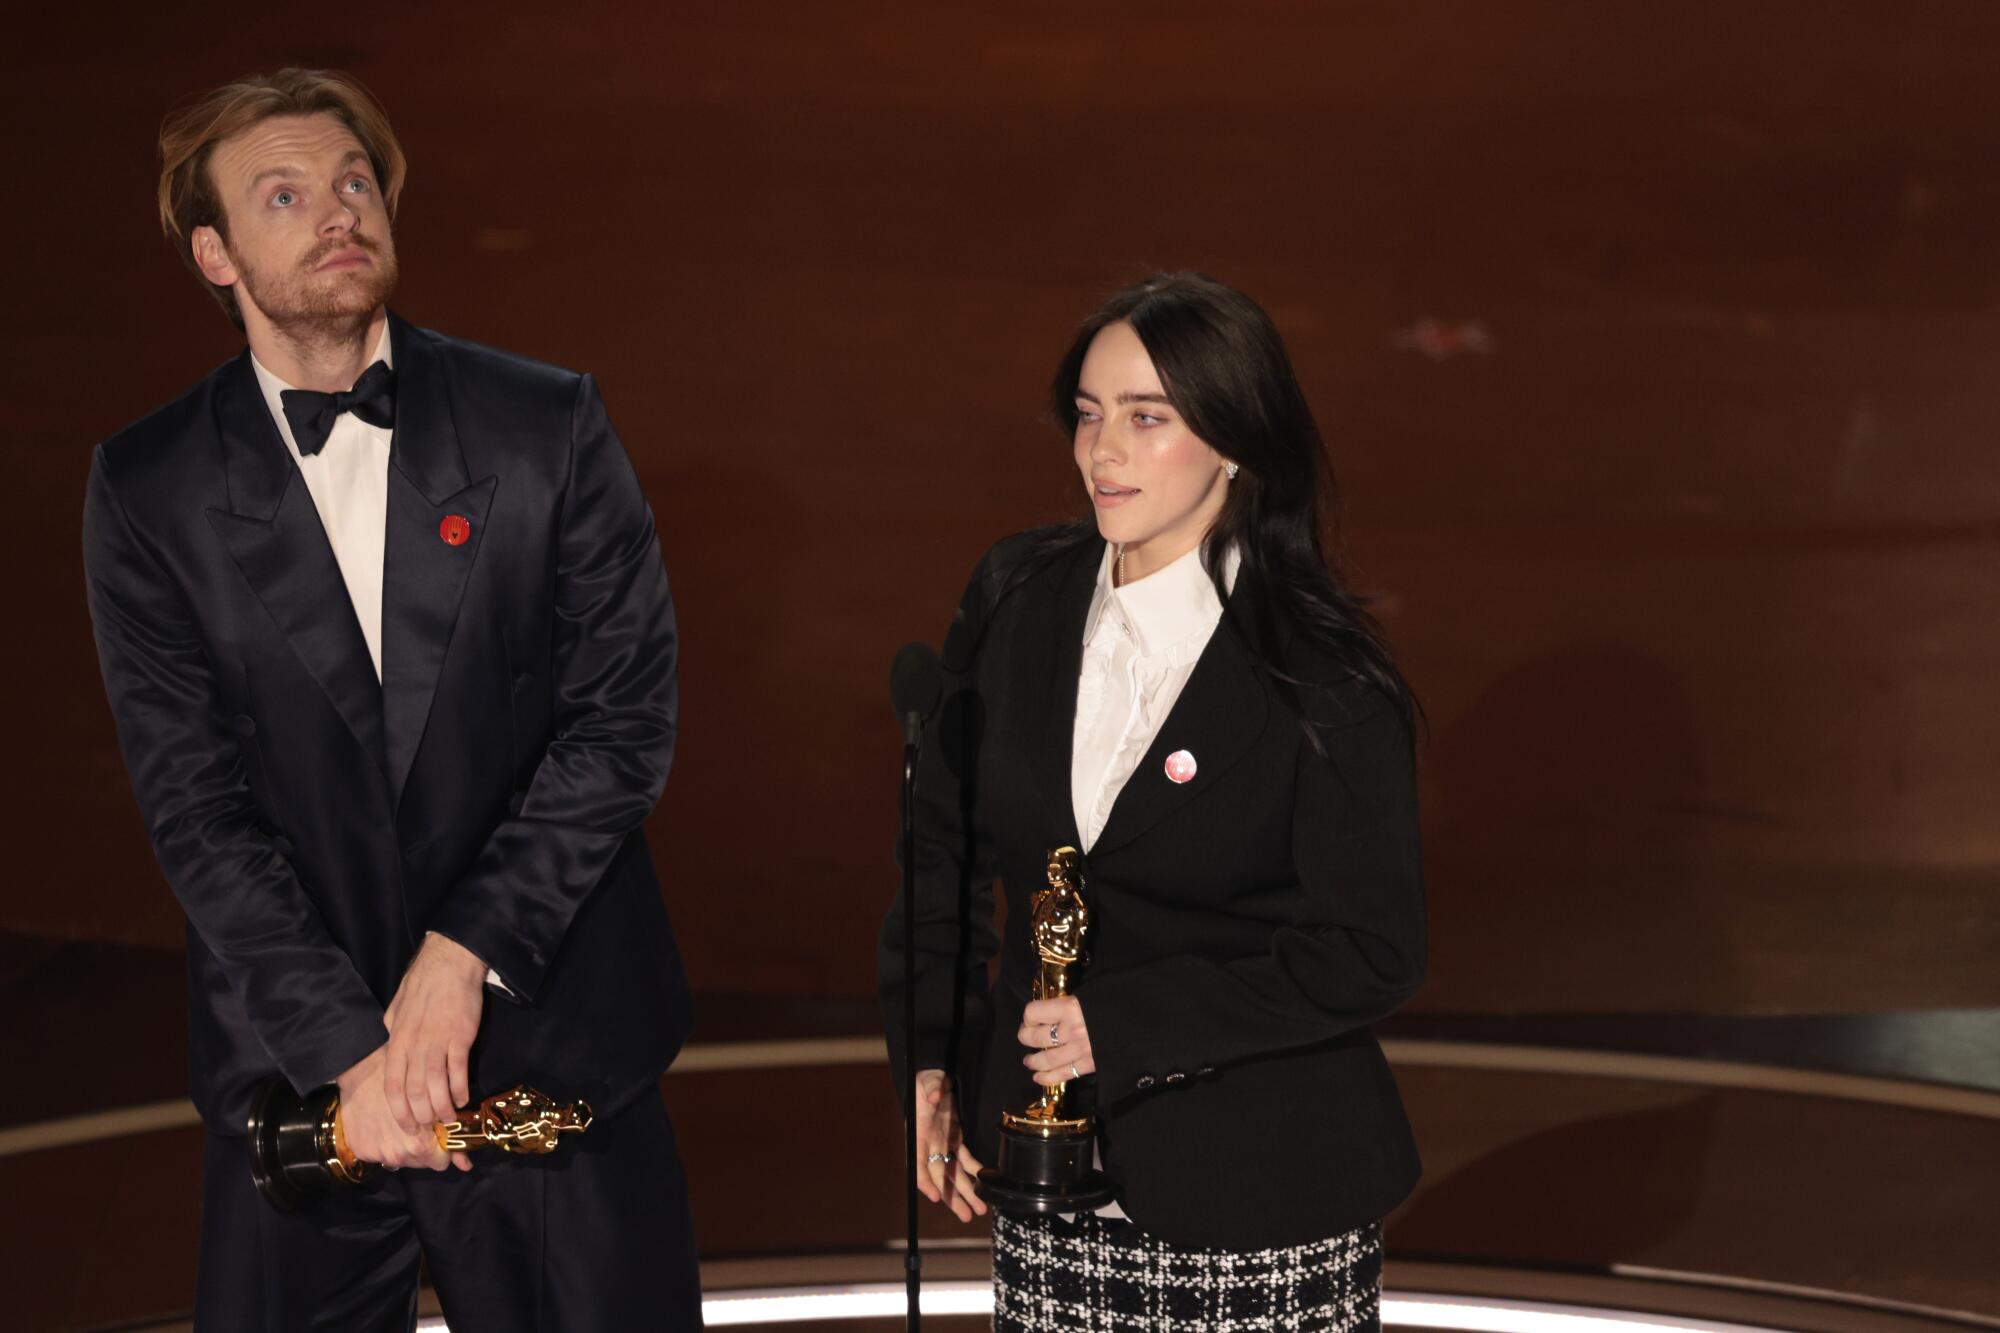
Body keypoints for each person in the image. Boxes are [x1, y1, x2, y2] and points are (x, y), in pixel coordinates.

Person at [82, 69, 701, 1331]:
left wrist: (463, 954)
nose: (335, 213)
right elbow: (194, 806)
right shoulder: (146, 489)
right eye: (284, 194)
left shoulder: (547, 424)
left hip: (550, 1056)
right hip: (308, 1093)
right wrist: (354, 1059)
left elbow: (621, 718)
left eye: (354, 183)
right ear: (215, 253)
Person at [879, 272, 1426, 1331]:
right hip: (1046, 1184)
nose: (1101, 452)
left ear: (1231, 437)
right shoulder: (1015, 597)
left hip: (1258, 1191)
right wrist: (931, 1061)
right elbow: (937, 854)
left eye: (1145, 419)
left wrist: (1118, 1025)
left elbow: (1371, 949)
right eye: (1086, 415)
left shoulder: (1321, 672)